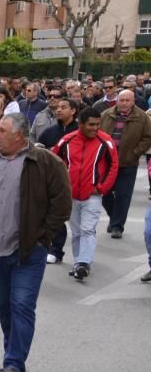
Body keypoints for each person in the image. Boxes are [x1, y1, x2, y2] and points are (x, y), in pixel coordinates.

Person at [0, 114, 71, 372]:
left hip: (28, 251)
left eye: (1, 130)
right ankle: (13, 353)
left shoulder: (45, 162)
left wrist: (42, 238)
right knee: (5, 308)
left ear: (20, 135)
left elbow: (61, 204)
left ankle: (13, 363)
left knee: (22, 305)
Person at [52, 107, 119, 281]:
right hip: (71, 195)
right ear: (80, 124)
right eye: (91, 125)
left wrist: (102, 187)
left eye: (98, 124)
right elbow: (53, 162)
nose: (95, 128)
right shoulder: (67, 140)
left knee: (88, 229)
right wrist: (59, 187)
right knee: (76, 231)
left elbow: (114, 165)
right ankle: (79, 263)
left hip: (93, 195)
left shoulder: (106, 141)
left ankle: (83, 263)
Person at [99, 89, 151, 238]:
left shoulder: (141, 117)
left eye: (127, 100)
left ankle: (117, 226)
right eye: (122, 100)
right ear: (117, 100)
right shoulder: (107, 114)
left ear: (133, 101)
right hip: (107, 161)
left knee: (123, 195)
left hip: (128, 162)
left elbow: (147, 137)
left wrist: (135, 153)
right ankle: (114, 216)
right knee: (104, 192)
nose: (124, 103)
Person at [39, 99, 81, 264]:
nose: (59, 110)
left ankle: (82, 258)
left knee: (78, 224)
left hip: (75, 181)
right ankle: (55, 249)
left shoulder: (79, 131)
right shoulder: (49, 132)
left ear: (74, 110)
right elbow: (38, 148)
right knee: (53, 214)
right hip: (50, 179)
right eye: (57, 107)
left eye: (64, 107)